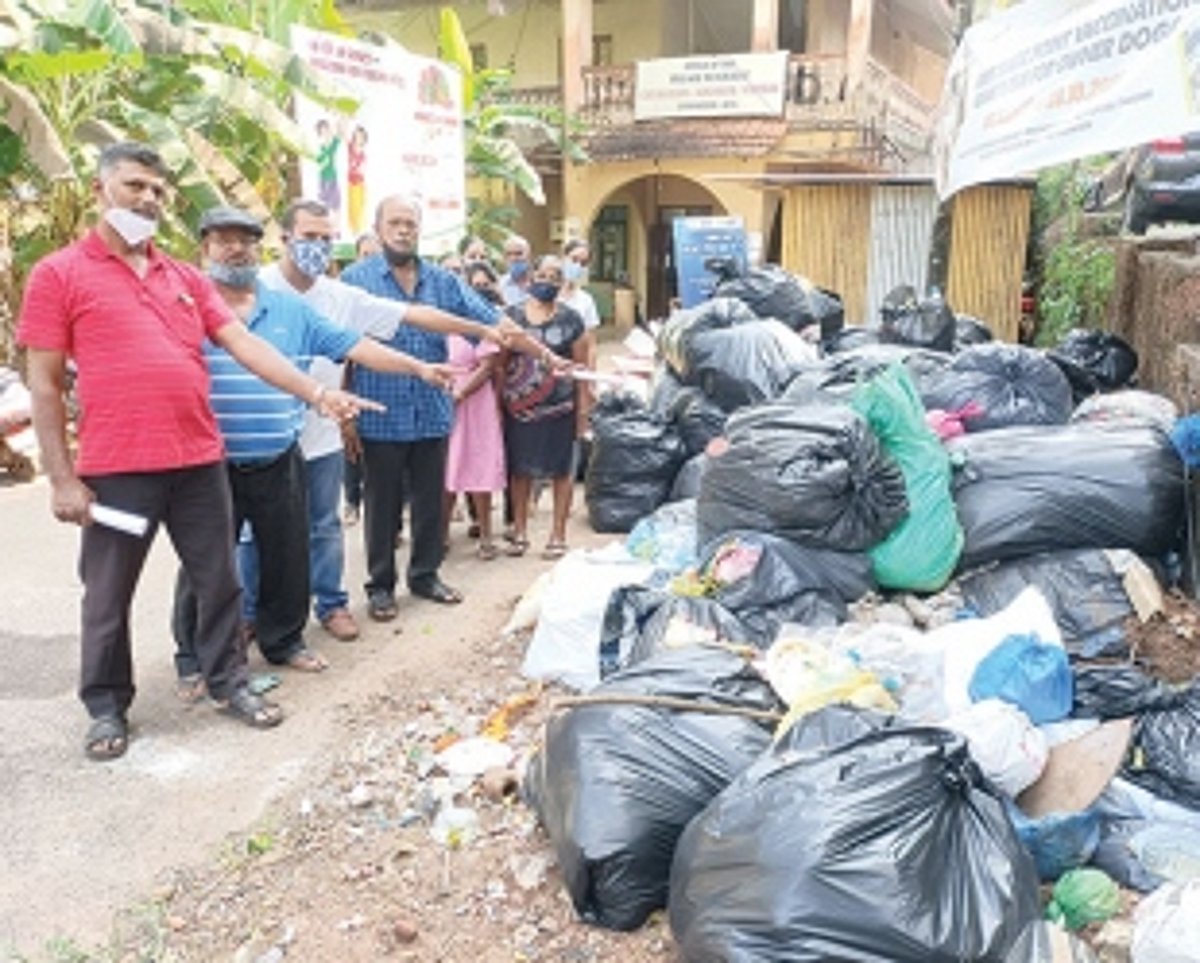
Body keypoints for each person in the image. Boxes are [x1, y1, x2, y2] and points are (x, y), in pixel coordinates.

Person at [16, 142, 371, 760]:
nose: (148, 199)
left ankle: (229, 681)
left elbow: (245, 346)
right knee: (107, 595)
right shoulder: (59, 274)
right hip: (116, 468)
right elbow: (43, 384)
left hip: (199, 461)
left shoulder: (182, 278)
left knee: (220, 581)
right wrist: (61, 478)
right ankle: (105, 706)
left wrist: (317, 392)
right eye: (134, 187)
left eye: (157, 190)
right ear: (102, 190)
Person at [171, 204, 456, 690]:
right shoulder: (184, 307)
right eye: (223, 239)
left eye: (245, 239)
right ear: (205, 247)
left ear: (259, 246)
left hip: (280, 453)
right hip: (209, 460)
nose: (235, 248)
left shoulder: (288, 309)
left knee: (287, 553)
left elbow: (353, 345)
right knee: (207, 561)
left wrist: (418, 367)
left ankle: (282, 640)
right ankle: (194, 657)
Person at [240, 199, 508, 645]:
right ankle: (265, 612)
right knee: (263, 531)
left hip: (397, 413)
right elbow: (349, 352)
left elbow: (430, 318)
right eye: (309, 237)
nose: (318, 246)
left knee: (336, 522)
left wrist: (488, 332)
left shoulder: (375, 289)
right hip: (291, 425)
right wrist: (349, 416)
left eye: (326, 239)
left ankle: (365, 593)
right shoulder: (289, 287)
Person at [340, 195, 502, 621]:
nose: (403, 230)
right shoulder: (355, 280)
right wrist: (347, 418)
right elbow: (338, 349)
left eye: (410, 223)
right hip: (379, 410)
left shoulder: (443, 282)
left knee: (431, 500)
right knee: (382, 504)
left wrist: (532, 345)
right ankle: (380, 586)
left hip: (432, 409)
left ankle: (425, 575)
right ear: (378, 229)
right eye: (394, 222)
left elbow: (486, 319)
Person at [500, 256, 589, 559]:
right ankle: (520, 532)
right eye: (542, 274)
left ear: (562, 283)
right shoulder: (511, 317)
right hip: (519, 409)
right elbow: (500, 364)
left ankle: (557, 535)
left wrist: (583, 411)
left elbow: (581, 368)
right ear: (530, 277)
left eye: (554, 277)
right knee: (520, 470)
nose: (547, 281)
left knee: (561, 471)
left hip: (560, 408)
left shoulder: (572, 319)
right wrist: (500, 406)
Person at [561, 238, 601, 370]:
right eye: (574, 259)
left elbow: (592, 344)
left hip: (577, 368)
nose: (577, 266)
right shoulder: (548, 294)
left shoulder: (586, 300)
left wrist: (591, 376)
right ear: (563, 257)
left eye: (583, 263)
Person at [346, 125, 368, 237]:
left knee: (360, 206)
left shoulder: (364, 152)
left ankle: (358, 230)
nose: (358, 138)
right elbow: (344, 134)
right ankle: (354, 230)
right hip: (351, 181)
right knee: (352, 207)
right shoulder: (350, 148)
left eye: (361, 136)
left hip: (360, 182)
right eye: (356, 135)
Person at [499, 234, 531, 307]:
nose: (513, 258)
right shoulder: (500, 285)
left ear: (528, 256)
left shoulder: (538, 283)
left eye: (518, 253)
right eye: (508, 254)